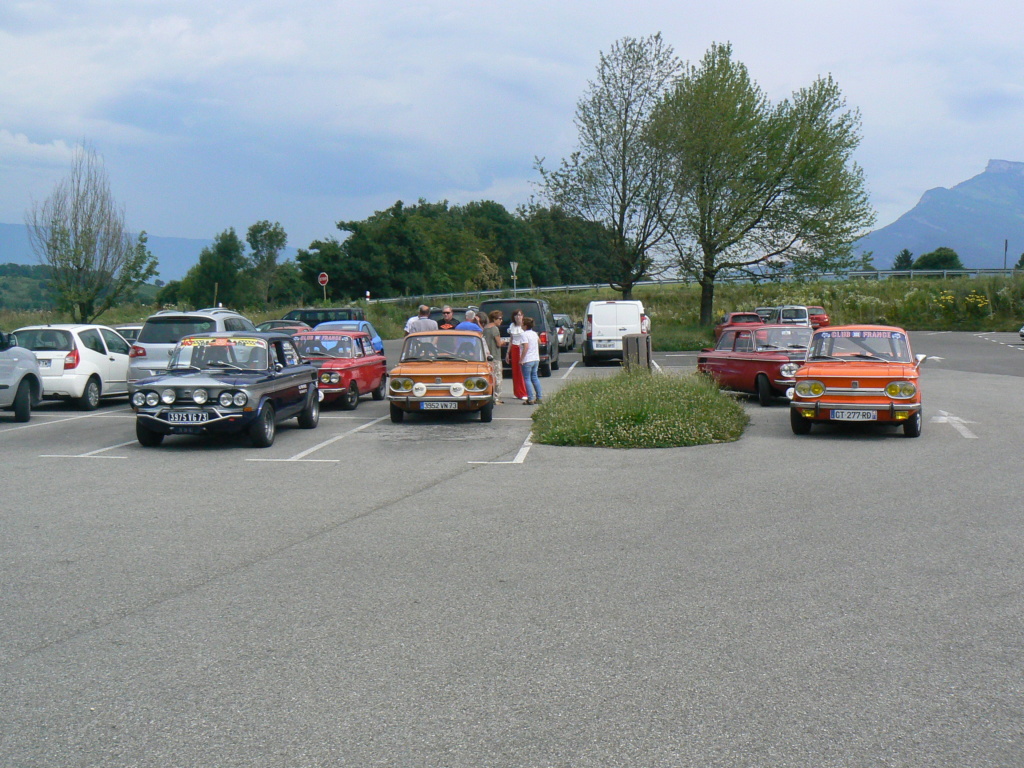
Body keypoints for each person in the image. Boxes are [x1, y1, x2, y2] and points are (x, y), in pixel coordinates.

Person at [482, 310, 505, 404]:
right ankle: (496, 398)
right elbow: (498, 343)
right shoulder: (495, 329)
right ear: (494, 319)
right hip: (495, 356)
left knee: (490, 377)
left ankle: (490, 395)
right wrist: (504, 342)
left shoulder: (485, 328)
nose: (501, 321)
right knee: (498, 377)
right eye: (499, 319)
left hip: (487, 356)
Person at [520, 316, 542, 405]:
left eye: (522, 323)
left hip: (527, 359)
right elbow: (539, 342)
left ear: (525, 325)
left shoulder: (524, 334)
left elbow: (526, 347)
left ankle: (530, 398)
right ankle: (539, 397)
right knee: (535, 377)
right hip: (535, 358)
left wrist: (521, 359)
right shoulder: (534, 333)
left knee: (527, 379)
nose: (521, 325)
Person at [507, 309, 528, 401]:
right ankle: (516, 392)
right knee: (515, 371)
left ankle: (524, 392)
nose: (518, 317)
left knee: (521, 372)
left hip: (521, 348)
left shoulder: (524, 327)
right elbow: (511, 340)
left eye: (519, 315)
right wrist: (508, 353)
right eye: (516, 315)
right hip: (514, 349)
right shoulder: (512, 326)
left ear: (522, 316)